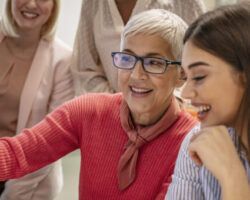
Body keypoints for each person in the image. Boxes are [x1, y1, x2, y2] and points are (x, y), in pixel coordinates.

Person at [0, 9, 197, 199]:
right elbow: (17, 154)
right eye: (127, 58)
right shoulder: (88, 111)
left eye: (154, 63)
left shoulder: (191, 144)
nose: (137, 75)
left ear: (181, 74)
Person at [166, 2, 250, 200]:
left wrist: (232, 177)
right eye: (186, 77)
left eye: (200, 76)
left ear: (245, 74)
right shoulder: (199, 141)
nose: (185, 93)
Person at [0, 0, 74, 199]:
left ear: (54, 6)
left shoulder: (63, 61)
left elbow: (52, 141)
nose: (31, 4)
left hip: (28, 182)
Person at [71, 0, 206, 95]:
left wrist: (165, 104)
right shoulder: (93, 3)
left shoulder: (187, 3)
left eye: (154, 62)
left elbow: (201, 69)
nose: (136, 75)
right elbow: (84, 68)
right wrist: (120, 104)